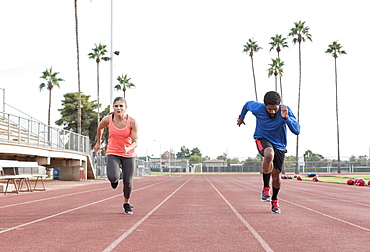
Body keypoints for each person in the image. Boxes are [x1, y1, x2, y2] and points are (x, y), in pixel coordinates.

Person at [237, 91, 300, 213]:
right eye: (269, 109)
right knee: (269, 153)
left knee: (276, 177)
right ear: (264, 105)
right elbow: (246, 105)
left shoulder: (285, 110)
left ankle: (274, 201)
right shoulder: (257, 108)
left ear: (279, 105)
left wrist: (286, 118)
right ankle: (266, 188)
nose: (272, 112)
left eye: (274, 109)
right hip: (262, 138)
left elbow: (297, 131)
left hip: (280, 145)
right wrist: (241, 117)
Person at [93, 97, 138, 214]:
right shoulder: (108, 119)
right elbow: (100, 127)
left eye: (121, 106)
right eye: (116, 106)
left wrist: (128, 148)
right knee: (113, 177)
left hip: (128, 154)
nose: (118, 108)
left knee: (128, 181)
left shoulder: (132, 122)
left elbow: (135, 141)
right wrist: (98, 143)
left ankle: (126, 203)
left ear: (125, 107)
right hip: (113, 152)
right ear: (113, 107)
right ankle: (115, 180)